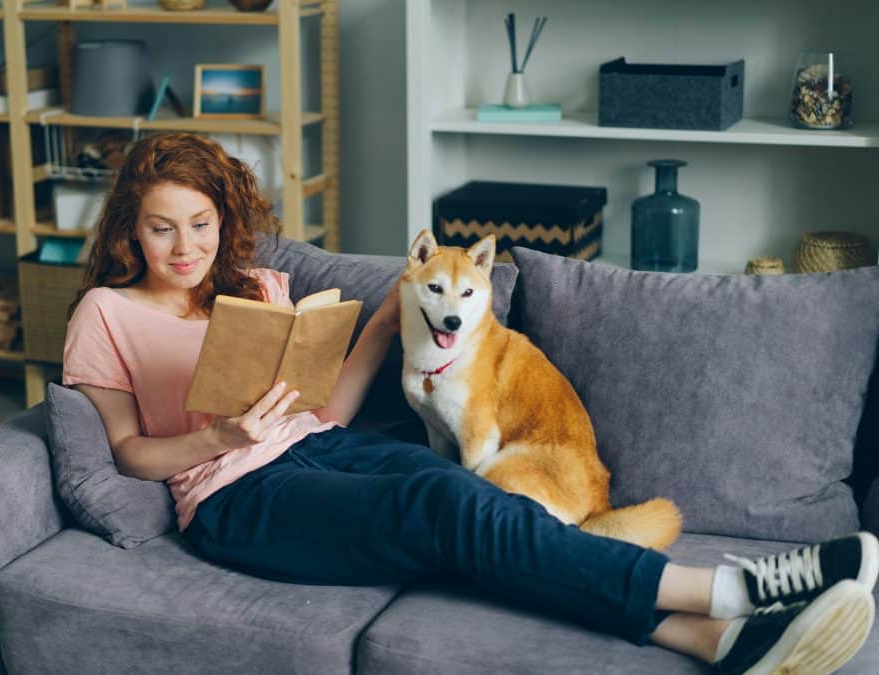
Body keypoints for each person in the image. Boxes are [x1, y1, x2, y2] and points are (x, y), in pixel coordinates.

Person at [63, 132, 877, 675]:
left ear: (222, 217)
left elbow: (325, 414)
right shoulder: (106, 312)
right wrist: (224, 437)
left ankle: (711, 640)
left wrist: (382, 321)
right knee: (438, 496)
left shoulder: (258, 287)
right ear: (131, 233)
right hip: (233, 498)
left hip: (314, 450)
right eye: (162, 229)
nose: (185, 247)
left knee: (458, 495)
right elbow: (130, 451)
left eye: (200, 223)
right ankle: (730, 589)